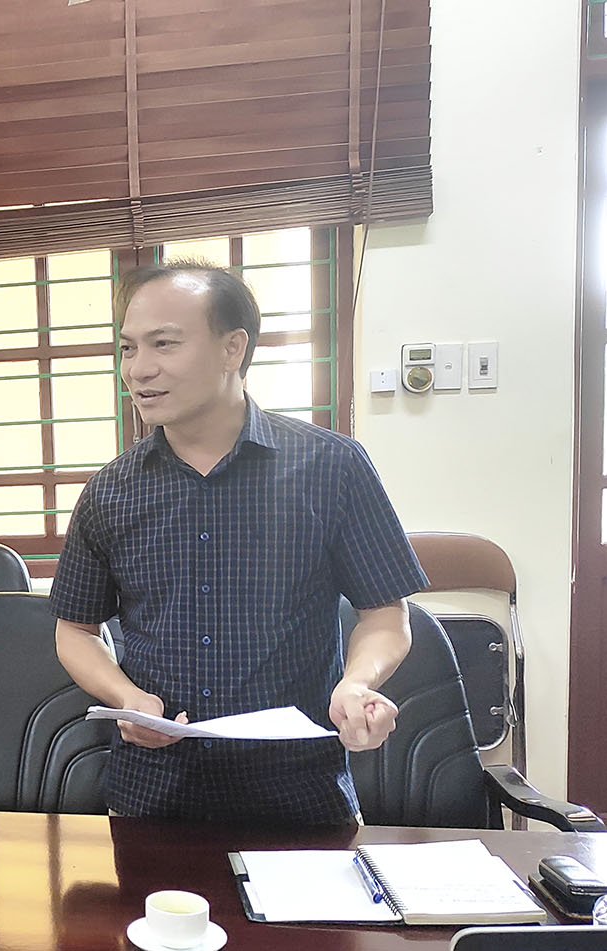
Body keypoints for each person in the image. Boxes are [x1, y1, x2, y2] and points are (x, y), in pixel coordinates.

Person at [51, 261, 427, 825]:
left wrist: (356, 684)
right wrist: (127, 698)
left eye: (164, 344)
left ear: (233, 348)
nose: (139, 369)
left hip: (298, 794)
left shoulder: (332, 467)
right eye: (128, 348)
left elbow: (385, 614)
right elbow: (74, 631)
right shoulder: (111, 491)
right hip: (153, 796)